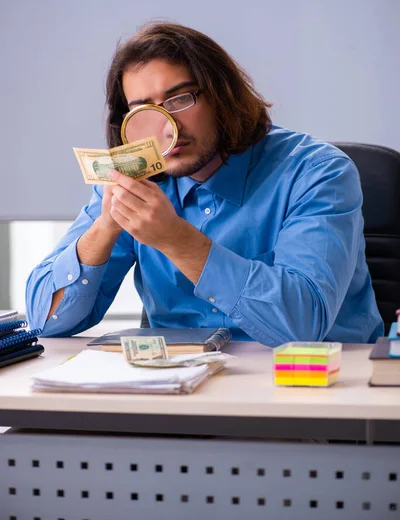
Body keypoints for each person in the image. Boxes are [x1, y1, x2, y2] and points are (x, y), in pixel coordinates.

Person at [26, 22, 384, 345]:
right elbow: (45, 320)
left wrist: (175, 239)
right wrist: (106, 226)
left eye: (180, 99)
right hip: (177, 395)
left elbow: (302, 325)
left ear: (222, 94)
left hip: (314, 390)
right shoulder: (136, 181)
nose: (167, 126)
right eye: (143, 110)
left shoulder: (318, 173)